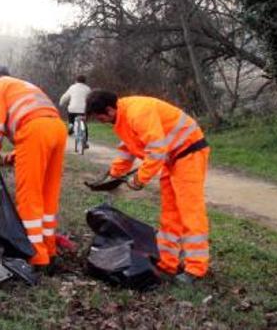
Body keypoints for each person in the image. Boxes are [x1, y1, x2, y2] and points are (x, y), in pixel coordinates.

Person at [86, 90, 210, 283]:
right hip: (173, 158)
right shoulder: (123, 117)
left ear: (109, 110)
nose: (100, 121)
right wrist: (114, 174)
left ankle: (196, 268)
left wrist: (139, 179)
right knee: (170, 212)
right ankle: (167, 261)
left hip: (188, 153)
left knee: (189, 210)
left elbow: (156, 150)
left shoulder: (138, 113)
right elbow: (128, 150)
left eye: (99, 117)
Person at [0, 66, 67, 269]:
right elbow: (38, 124)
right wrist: (9, 157)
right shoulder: (22, 85)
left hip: (35, 131)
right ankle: (49, 249)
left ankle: (36, 256)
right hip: (57, 129)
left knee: (29, 195)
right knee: (48, 192)